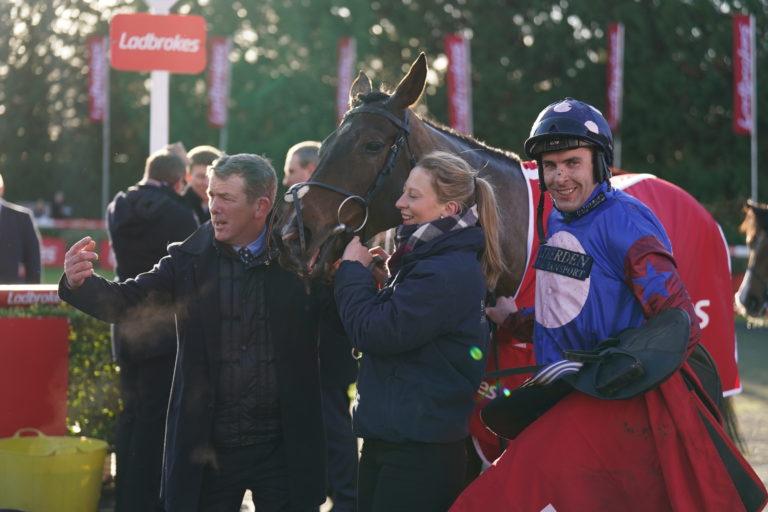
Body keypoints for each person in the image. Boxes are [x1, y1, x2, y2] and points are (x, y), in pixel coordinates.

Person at [450, 99, 767, 511]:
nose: (560, 176)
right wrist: (515, 321)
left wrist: (607, 375)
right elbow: (572, 309)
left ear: (599, 164)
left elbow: (679, 321)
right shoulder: (557, 217)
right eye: (550, 166)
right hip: (560, 400)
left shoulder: (628, 222)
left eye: (572, 162)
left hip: (609, 411)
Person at [60, 153, 331, 512]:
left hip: (283, 449)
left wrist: (360, 278)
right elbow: (128, 303)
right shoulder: (188, 260)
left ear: (261, 206)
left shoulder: (300, 259)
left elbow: (343, 321)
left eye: (226, 198)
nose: (213, 207)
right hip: (209, 452)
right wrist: (81, 284)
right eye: (212, 196)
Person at [333, 150, 506, 512]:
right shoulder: (430, 259)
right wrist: (384, 283)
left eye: (413, 195)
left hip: (417, 453)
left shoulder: (444, 269)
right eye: (403, 192)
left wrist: (351, 272)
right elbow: (408, 327)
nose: (399, 203)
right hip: (400, 439)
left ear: (449, 210)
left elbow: (375, 332)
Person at [106, 147, 199, 511]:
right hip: (162, 329)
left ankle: (126, 498)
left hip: (125, 323)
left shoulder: (118, 206)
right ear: (179, 182)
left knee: (130, 415)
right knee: (157, 421)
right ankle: (150, 501)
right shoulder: (181, 216)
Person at [284, 140, 359, 512]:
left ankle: (346, 500)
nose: (287, 182)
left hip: (326, 346)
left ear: (310, 171)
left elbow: (330, 279)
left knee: (334, 431)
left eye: (291, 172)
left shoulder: (337, 219)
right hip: (320, 346)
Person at [0, 172, 42, 284]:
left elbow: (33, 262)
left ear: (1, 189)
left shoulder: (22, 218)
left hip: (11, 295)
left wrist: (33, 296)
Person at [183, 144, 221, 223]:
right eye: (201, 176)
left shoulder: (228, 208)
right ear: (188, 177)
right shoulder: (176, 206)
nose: (207, 183)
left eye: (212, 177)